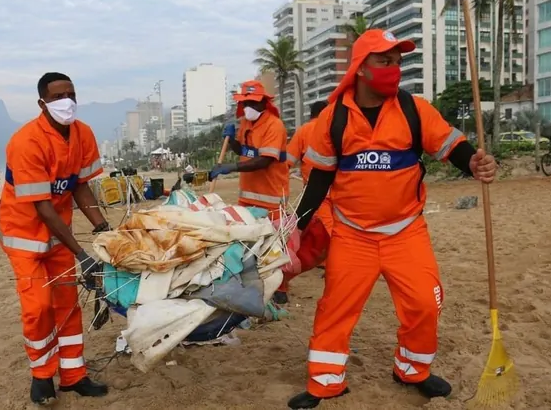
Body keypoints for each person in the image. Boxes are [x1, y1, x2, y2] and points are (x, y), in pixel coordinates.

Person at [286, 29, 498, 409]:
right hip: (352, 236)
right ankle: (325, 383)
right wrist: (297, 231)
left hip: (406, 232)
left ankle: (411, 370)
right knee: (335, 311)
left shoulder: (414, 109)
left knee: (425, 304)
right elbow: (318, 181)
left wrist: (474, 163)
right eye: (384, 61)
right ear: (361, 68)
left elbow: (452, 147)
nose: (393, 69)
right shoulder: (333, 119)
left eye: (398, 62)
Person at [0, 72, 111, 406]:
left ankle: (74, 375)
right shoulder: (26, 142)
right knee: (38, 308)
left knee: (66, 305)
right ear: (42, 103)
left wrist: (103, 228)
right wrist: (82, 254)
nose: (67, 102)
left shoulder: (82, 134)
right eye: (59, 96)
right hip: (25, 237)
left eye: (71, 94)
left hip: (59, 235)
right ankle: (42, 376)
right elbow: (43, 207)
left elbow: (79, 185)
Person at [273, 100, 331, 305]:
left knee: (302, 236)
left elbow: (287, 162)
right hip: (344, 195)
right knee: (338, 236)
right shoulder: (340, 125)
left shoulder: (305, 131)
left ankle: (281, 284)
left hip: (315, 193)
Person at [208, 80, 289, 219]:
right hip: (247, 198)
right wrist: (232, 140)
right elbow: (242, 151)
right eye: (245, 104)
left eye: (252, 103)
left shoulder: (274, 125)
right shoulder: (246, 122)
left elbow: (264, 161)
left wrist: (232, 167)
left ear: (264, 102)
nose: (248, 108)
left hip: (271, 200)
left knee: (272, 238)